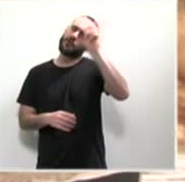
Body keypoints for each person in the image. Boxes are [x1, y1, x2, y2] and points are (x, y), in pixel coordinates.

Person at [16, 15, 130, 170]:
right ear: (66, 29)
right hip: (49, 168)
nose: (75, 35)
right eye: (74, 29)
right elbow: (24, 120)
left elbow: (122, 93)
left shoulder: (96, 69)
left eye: (82, 34)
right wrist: (47, 118)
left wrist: (96, 52)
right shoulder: (37, 73)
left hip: (91, 167)